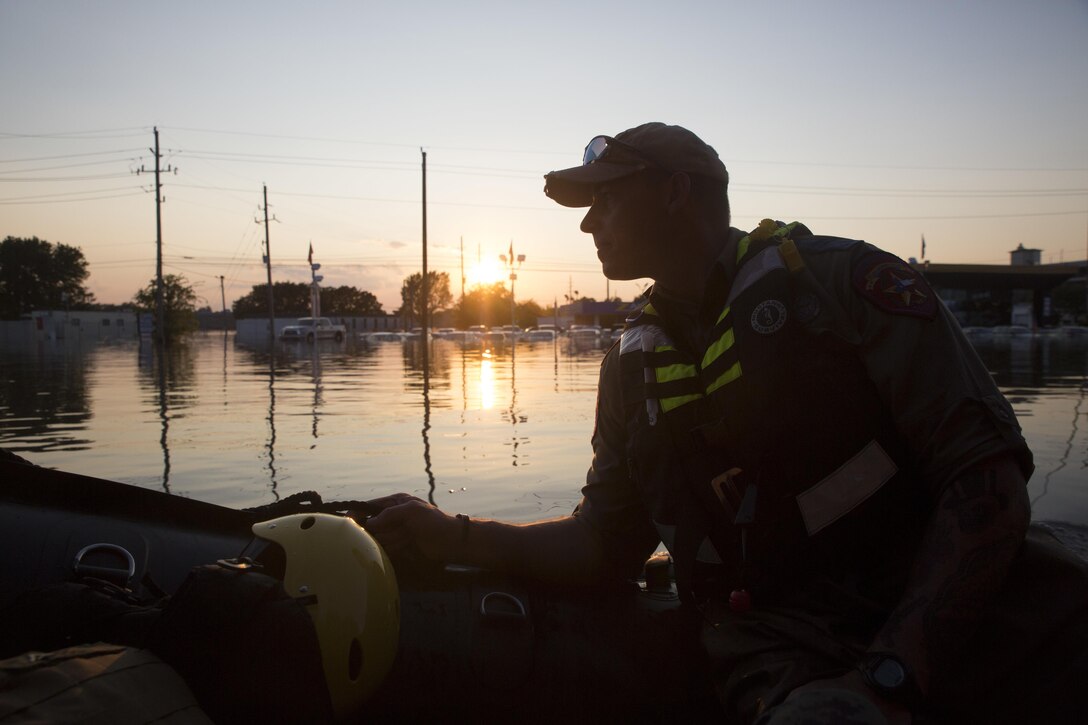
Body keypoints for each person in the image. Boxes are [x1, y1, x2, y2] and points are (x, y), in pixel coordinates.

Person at [364, 123, 1087, 724]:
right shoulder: (630, 364)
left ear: (676, 192)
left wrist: (892, 674)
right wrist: (453, 532)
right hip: (775, 659)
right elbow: (603, 543)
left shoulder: (846, 286)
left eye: (607, 199)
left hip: (935, 632)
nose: (587, 221)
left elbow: (985, 480)